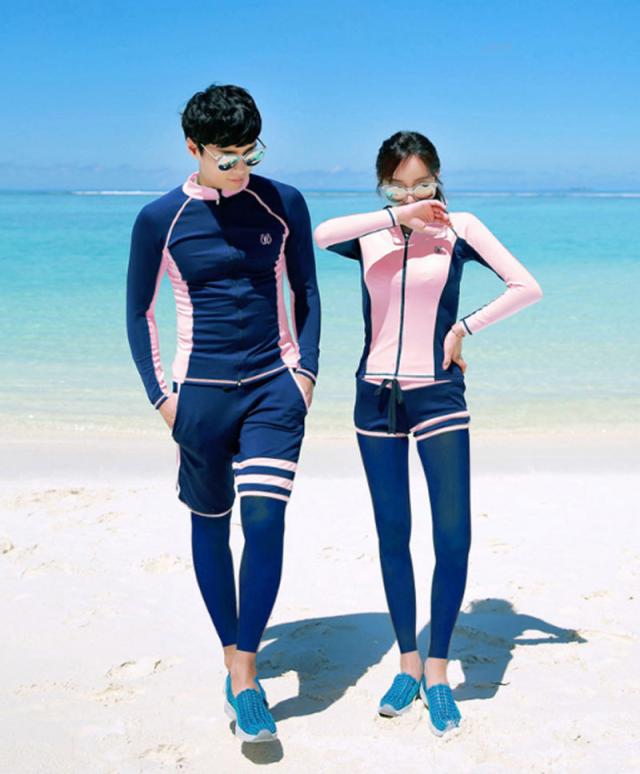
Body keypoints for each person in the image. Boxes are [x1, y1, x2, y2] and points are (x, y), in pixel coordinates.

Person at [313, 131, 542, 736]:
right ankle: (408, 664)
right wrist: (396, 216)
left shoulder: (460, 228)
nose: (413, 195)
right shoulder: (371, 231)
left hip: (437, 392)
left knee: (453, 534)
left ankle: (438, 670)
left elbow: (526, 286)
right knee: (393, 534)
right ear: (383, 187)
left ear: (438, 178)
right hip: (374, 397)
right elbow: (320, 234)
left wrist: (463, 328)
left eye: (423, 184)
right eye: (398, 186)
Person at [126, 84, 320, 743]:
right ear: (194, 148)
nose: (241, 168)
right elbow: (139, 313)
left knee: (264, 520)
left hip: (272, 389)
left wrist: (305, 374)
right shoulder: (161, 218)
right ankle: (231, 652)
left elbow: (306, 290)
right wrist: (162, 397)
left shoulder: (282, 202)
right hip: (200, 398)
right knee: (211, 525)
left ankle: (244, 672)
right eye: (227, 157)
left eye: (250, 154)